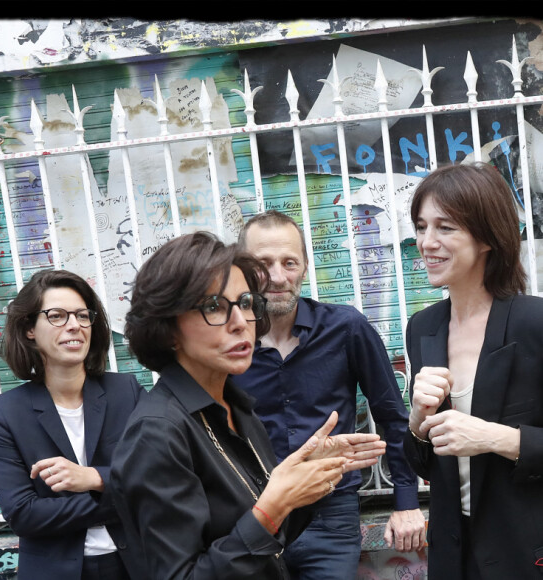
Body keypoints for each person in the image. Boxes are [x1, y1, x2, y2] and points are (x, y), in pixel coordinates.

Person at [110, 231, 386, 579]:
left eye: (244, 303)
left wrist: (307, 477)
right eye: (213, 307)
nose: (241, 322)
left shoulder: (236, 407)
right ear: (168, 329)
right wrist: (271, 509)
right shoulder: (157, 433)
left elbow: (271, 538)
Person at [233, 209, 426, 579]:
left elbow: (391, 415)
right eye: (262, 263)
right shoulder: (228, 341)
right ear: (241, 269)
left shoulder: (346, 327)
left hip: (332, 517)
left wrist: (405, 502)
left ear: (305, 266)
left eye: (289, 262)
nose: (277, 277)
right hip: (250, 515)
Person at [403, 161, 543, 579]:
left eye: (445, 228)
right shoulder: (423, 328)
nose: (427, 242)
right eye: (421, 226)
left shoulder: (533, 323)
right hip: (454, 554)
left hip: (526, 551)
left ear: (486, 236)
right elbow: (426, 464)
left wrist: (495, 438)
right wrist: (416, 422)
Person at [0, 269, 147, 580]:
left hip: (135, 566)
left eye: (83, 315)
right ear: (30, 328)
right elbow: (23, 515)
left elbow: (160, 478)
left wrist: (93, 478)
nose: (74, 325)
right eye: (57, 315)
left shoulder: (126, 392)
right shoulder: (5, 412)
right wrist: (120, 497)